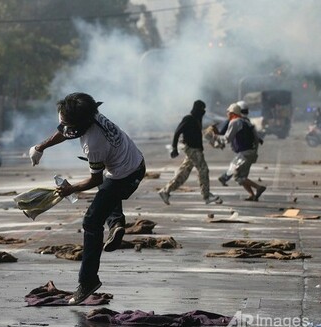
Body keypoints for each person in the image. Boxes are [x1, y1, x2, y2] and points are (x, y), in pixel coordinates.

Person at [29, 92, 146, 305]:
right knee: (108, 189)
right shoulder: (92, 115)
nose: (62, 124)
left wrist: (70, 189)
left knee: (91, 221)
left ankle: (88, 281)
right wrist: (40, 147)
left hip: (126, 176)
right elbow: (66, 132)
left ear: (78, 125)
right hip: (132, 161)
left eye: (66, 121)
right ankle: (116, 222)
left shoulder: (93, 143)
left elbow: (94, 180)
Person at [158, 100, 222, 205]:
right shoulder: (188, 119)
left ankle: (165, 191)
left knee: (183, 173)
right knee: (203, 170)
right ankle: (206, 196)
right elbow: (177, 132)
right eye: (202, 109)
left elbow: (198, 134)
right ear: (197, 109)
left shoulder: (197, 119)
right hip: (192, 149)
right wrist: (174, 148)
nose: (203, 112)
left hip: (196, 149)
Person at [212, 103, 266, 201]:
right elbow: (256, 136)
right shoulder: (246, 121)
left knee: (238, 176)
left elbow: (227, 138)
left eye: (228, 112)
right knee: (242, 175)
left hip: (245, 153)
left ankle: (259, 188)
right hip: (250, 152)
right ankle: (252, 195)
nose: (227, 114)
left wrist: (215, 137)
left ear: (232, 113)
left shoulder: (234, 122)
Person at [218, 100, 263, 186]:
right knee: (236, 165)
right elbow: (223, 132)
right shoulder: (236, 120)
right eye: (244, 111)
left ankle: (225, 177)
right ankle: (226, 177)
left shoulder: (242, 121)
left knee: (236, 166)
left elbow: (251, 132)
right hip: (242, 147)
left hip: (244, 149)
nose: (245, 114)